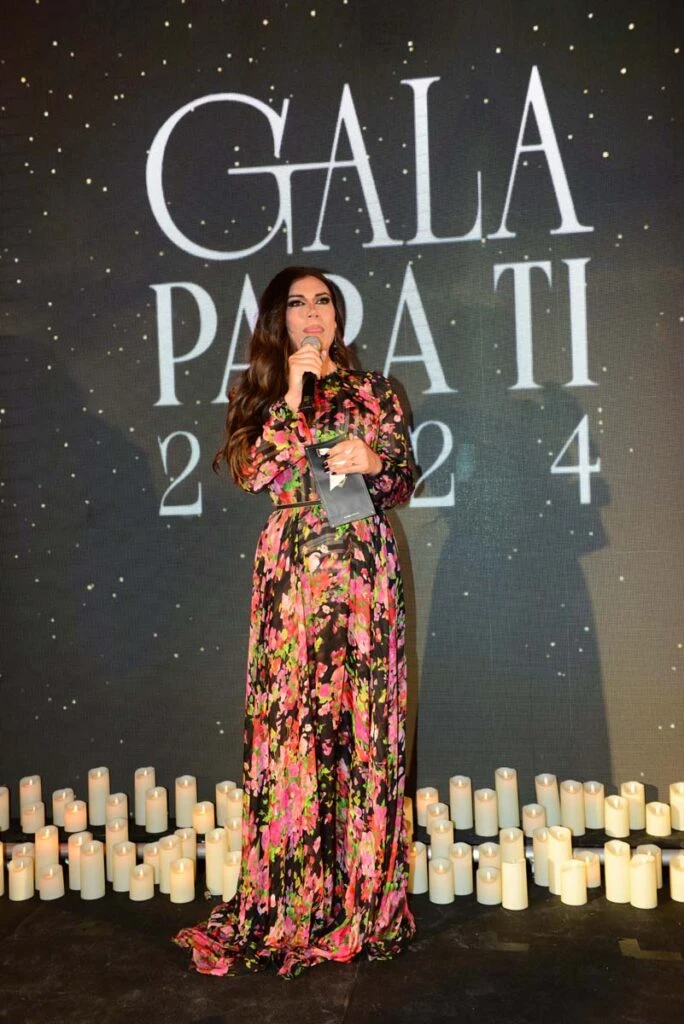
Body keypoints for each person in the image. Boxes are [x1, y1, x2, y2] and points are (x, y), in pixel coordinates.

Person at [175, 266, 416, 978]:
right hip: (294, 580)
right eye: (298, 304)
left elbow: (403, 479)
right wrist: (289, 393)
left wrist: (375, 459)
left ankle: (363, 900)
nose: (313, 314)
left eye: (324, 302)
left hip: (364, 574)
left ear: (338, 317)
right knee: (295, 727)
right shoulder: (261, 394)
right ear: (279, 321)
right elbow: (256, 474)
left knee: (364, 730)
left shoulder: (376, 391)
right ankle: (291, 900)